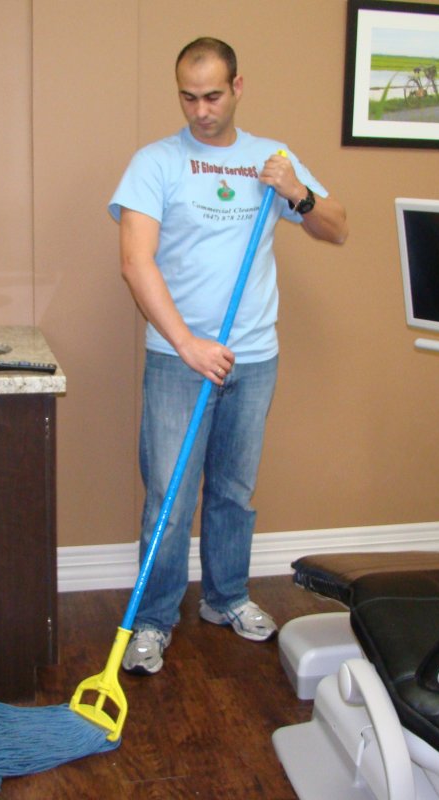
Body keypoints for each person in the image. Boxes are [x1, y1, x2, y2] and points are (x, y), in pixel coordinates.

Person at [107, 37, 348, 675]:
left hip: (254, 356)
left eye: (212, 96)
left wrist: (297, 191)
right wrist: (187, 344)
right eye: (188, 97)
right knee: (169, 498)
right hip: (179, 359)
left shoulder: (271, 159)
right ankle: (153, 619)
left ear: (237, 87)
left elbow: (337, 227)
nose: (201, 111)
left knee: (234, 492)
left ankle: (226, 597)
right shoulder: (155, 163)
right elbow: (135, 262)